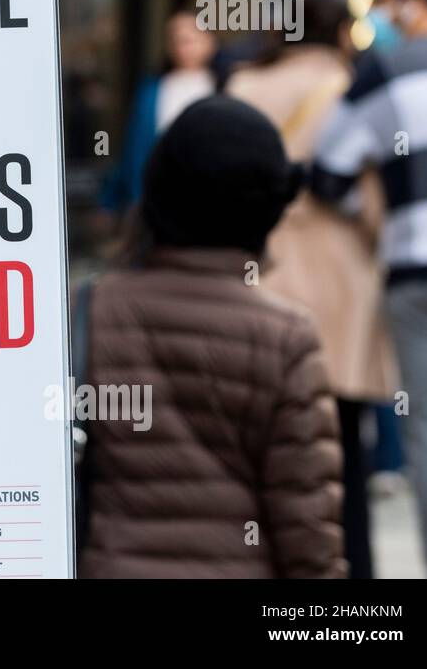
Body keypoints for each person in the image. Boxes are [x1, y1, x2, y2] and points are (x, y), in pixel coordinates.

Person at [79, 96, 345, 578]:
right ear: (266, 213)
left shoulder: (90, 312)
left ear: (156, 192)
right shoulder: (286, 339)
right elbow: (307, 533)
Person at [226, 0, 395, 578]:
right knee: (343, 450)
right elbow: (375, 202)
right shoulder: (357, 90)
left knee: (258, 449)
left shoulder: (245, 88)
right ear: (342, 31)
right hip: (342, 286)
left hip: (258, 280)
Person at [311, 0, 427, 578]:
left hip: (419, 268)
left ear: (412, 2)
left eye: (386, 0)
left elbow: (328, 170)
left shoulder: (384, 72)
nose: (379, 15)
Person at [100, 8, 216, 217]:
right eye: (176, 40)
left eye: (189, 40)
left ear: (209, 40)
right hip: (159, 198)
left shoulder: (225, 86)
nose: (183, 48)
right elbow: (134, 148)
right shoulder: (153, 89)